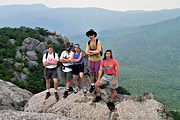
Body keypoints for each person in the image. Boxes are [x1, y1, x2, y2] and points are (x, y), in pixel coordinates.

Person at [85, 29, 102, 93]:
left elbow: (99, 51)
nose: (90, 36)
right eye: (89, 35)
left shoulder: (98, 41)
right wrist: (94, 52)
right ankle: (92, 85)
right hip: (91, 60)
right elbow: (86, 52)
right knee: (91, 73)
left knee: (97, 73)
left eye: (91, 34)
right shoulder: (88, 42)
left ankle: (97, 85)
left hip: (97, 60)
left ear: (94, 35)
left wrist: (91, 51)